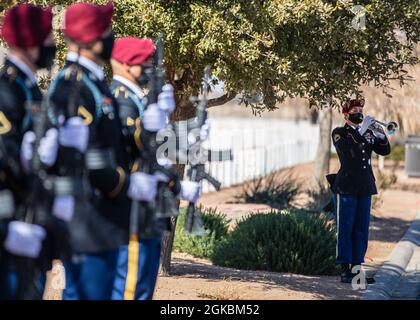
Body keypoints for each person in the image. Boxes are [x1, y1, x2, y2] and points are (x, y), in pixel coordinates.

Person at [48, 2, 158, 300]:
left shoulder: (95, 83)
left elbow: (115, 144)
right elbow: (88, 158)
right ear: (90, 38)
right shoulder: (75, 85)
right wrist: (127, 184)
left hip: (106, 217)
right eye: (106, 31)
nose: (111, 37)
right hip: (89, 216)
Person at [109, 37, 201, 300]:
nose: (149, 69)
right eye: (143, 63)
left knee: (141, 291)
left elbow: (153, 158)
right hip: (132, 213)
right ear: (126, 65)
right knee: (130, 292)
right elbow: (135, 158)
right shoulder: (121, 100)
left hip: (147, 213)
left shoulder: (138, 101)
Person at [0, 4, 60, 299]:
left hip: (34, 225)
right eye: (48, 36)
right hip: (11, 233)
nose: (53, 44)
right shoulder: (7, 91)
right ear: (31, 41)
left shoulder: (31, 91)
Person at [328, 98, 391, 284]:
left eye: (360, 109)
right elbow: (348, 150)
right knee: (345, 228)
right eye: (355, 110)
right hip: (346, 187)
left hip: (364, 187)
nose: (359, 112)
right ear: (346, 114)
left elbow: (385, 151)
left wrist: (380, 135)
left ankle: (357, 270)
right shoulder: (339, 133)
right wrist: (364, 130)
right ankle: (345, 270)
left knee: (361, 230)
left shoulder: (367, 133)